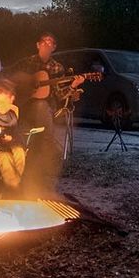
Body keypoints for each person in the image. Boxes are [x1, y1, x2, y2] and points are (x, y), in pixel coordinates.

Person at [17, 32, 84, 189]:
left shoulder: (57, 68)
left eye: (50, 43)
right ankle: (43, 159)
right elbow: (11, 76)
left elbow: (60, 95)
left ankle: (42, 166)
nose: (47, 45)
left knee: (41, 106)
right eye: (44, 42)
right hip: (25, 103)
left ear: (54, 48)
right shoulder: (26, 63)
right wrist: (25, 83)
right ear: (37, 45)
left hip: (46, 107)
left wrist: (73, 86)